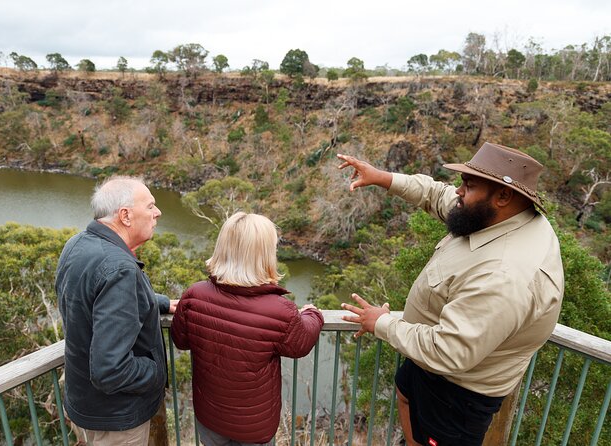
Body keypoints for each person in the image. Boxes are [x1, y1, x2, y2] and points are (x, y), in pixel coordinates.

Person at [337, 142, 564, 446]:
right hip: (426, 360)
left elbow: (449, 352)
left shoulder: (505, 277)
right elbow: (437, 194)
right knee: (405, 392)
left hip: (456, 393)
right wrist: (382, 177)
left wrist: (382, 323)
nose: (458, 191)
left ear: (504, 195)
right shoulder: (494, 216)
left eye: (468, 185)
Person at [171, 212, 324, 446]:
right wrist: (313, 314)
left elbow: (180, 340)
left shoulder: (194, 295)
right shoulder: (280, 309)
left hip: (210, 417)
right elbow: (300, 345)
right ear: (264, 255)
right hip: (255, 427)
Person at [56, 175, 178, 445]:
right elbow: (110, 370)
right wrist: (157, 372)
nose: (157, 212)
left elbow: (92, 296)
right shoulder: (119, 269)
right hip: (117, 422)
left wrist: (158, 303)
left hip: (84, 405)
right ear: (125, 215)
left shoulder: (77, 244)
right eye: (150, 206)